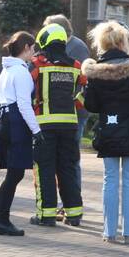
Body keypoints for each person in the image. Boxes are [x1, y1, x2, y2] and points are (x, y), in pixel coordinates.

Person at [81, 21, 129, 244]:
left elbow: (91, 105)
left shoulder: (95, 72)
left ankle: (109, 231)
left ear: (101, 43)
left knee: (110, 179)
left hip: (108, 131)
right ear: (123, 42)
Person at [29, 23, 87, 227]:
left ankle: (46, 215)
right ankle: (74, 214)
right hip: (69, 126)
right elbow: (82, 96)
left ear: (44, 40)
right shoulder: (76, 66)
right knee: (67, 169)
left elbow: (28, 93)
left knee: (44, 170)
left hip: (44, 127)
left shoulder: (37, 65)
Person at [0, 32, 40, 237]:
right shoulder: (21, 72)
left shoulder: (7, 70)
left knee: (12, 173)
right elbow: (24, 105)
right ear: (26, 47)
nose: (34, 53)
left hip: (5, 121)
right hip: (17, 123)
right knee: (15, 173)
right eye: (33, 48)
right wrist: (36, 130)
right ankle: (2, 220)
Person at [43, 13, 91, 219]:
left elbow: (79, 82)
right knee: (66, 159)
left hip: (73, 113)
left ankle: (71, 203)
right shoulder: (68, 46)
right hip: (62, 112)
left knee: (70, 160)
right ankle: (69, 204)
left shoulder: (76, 48)